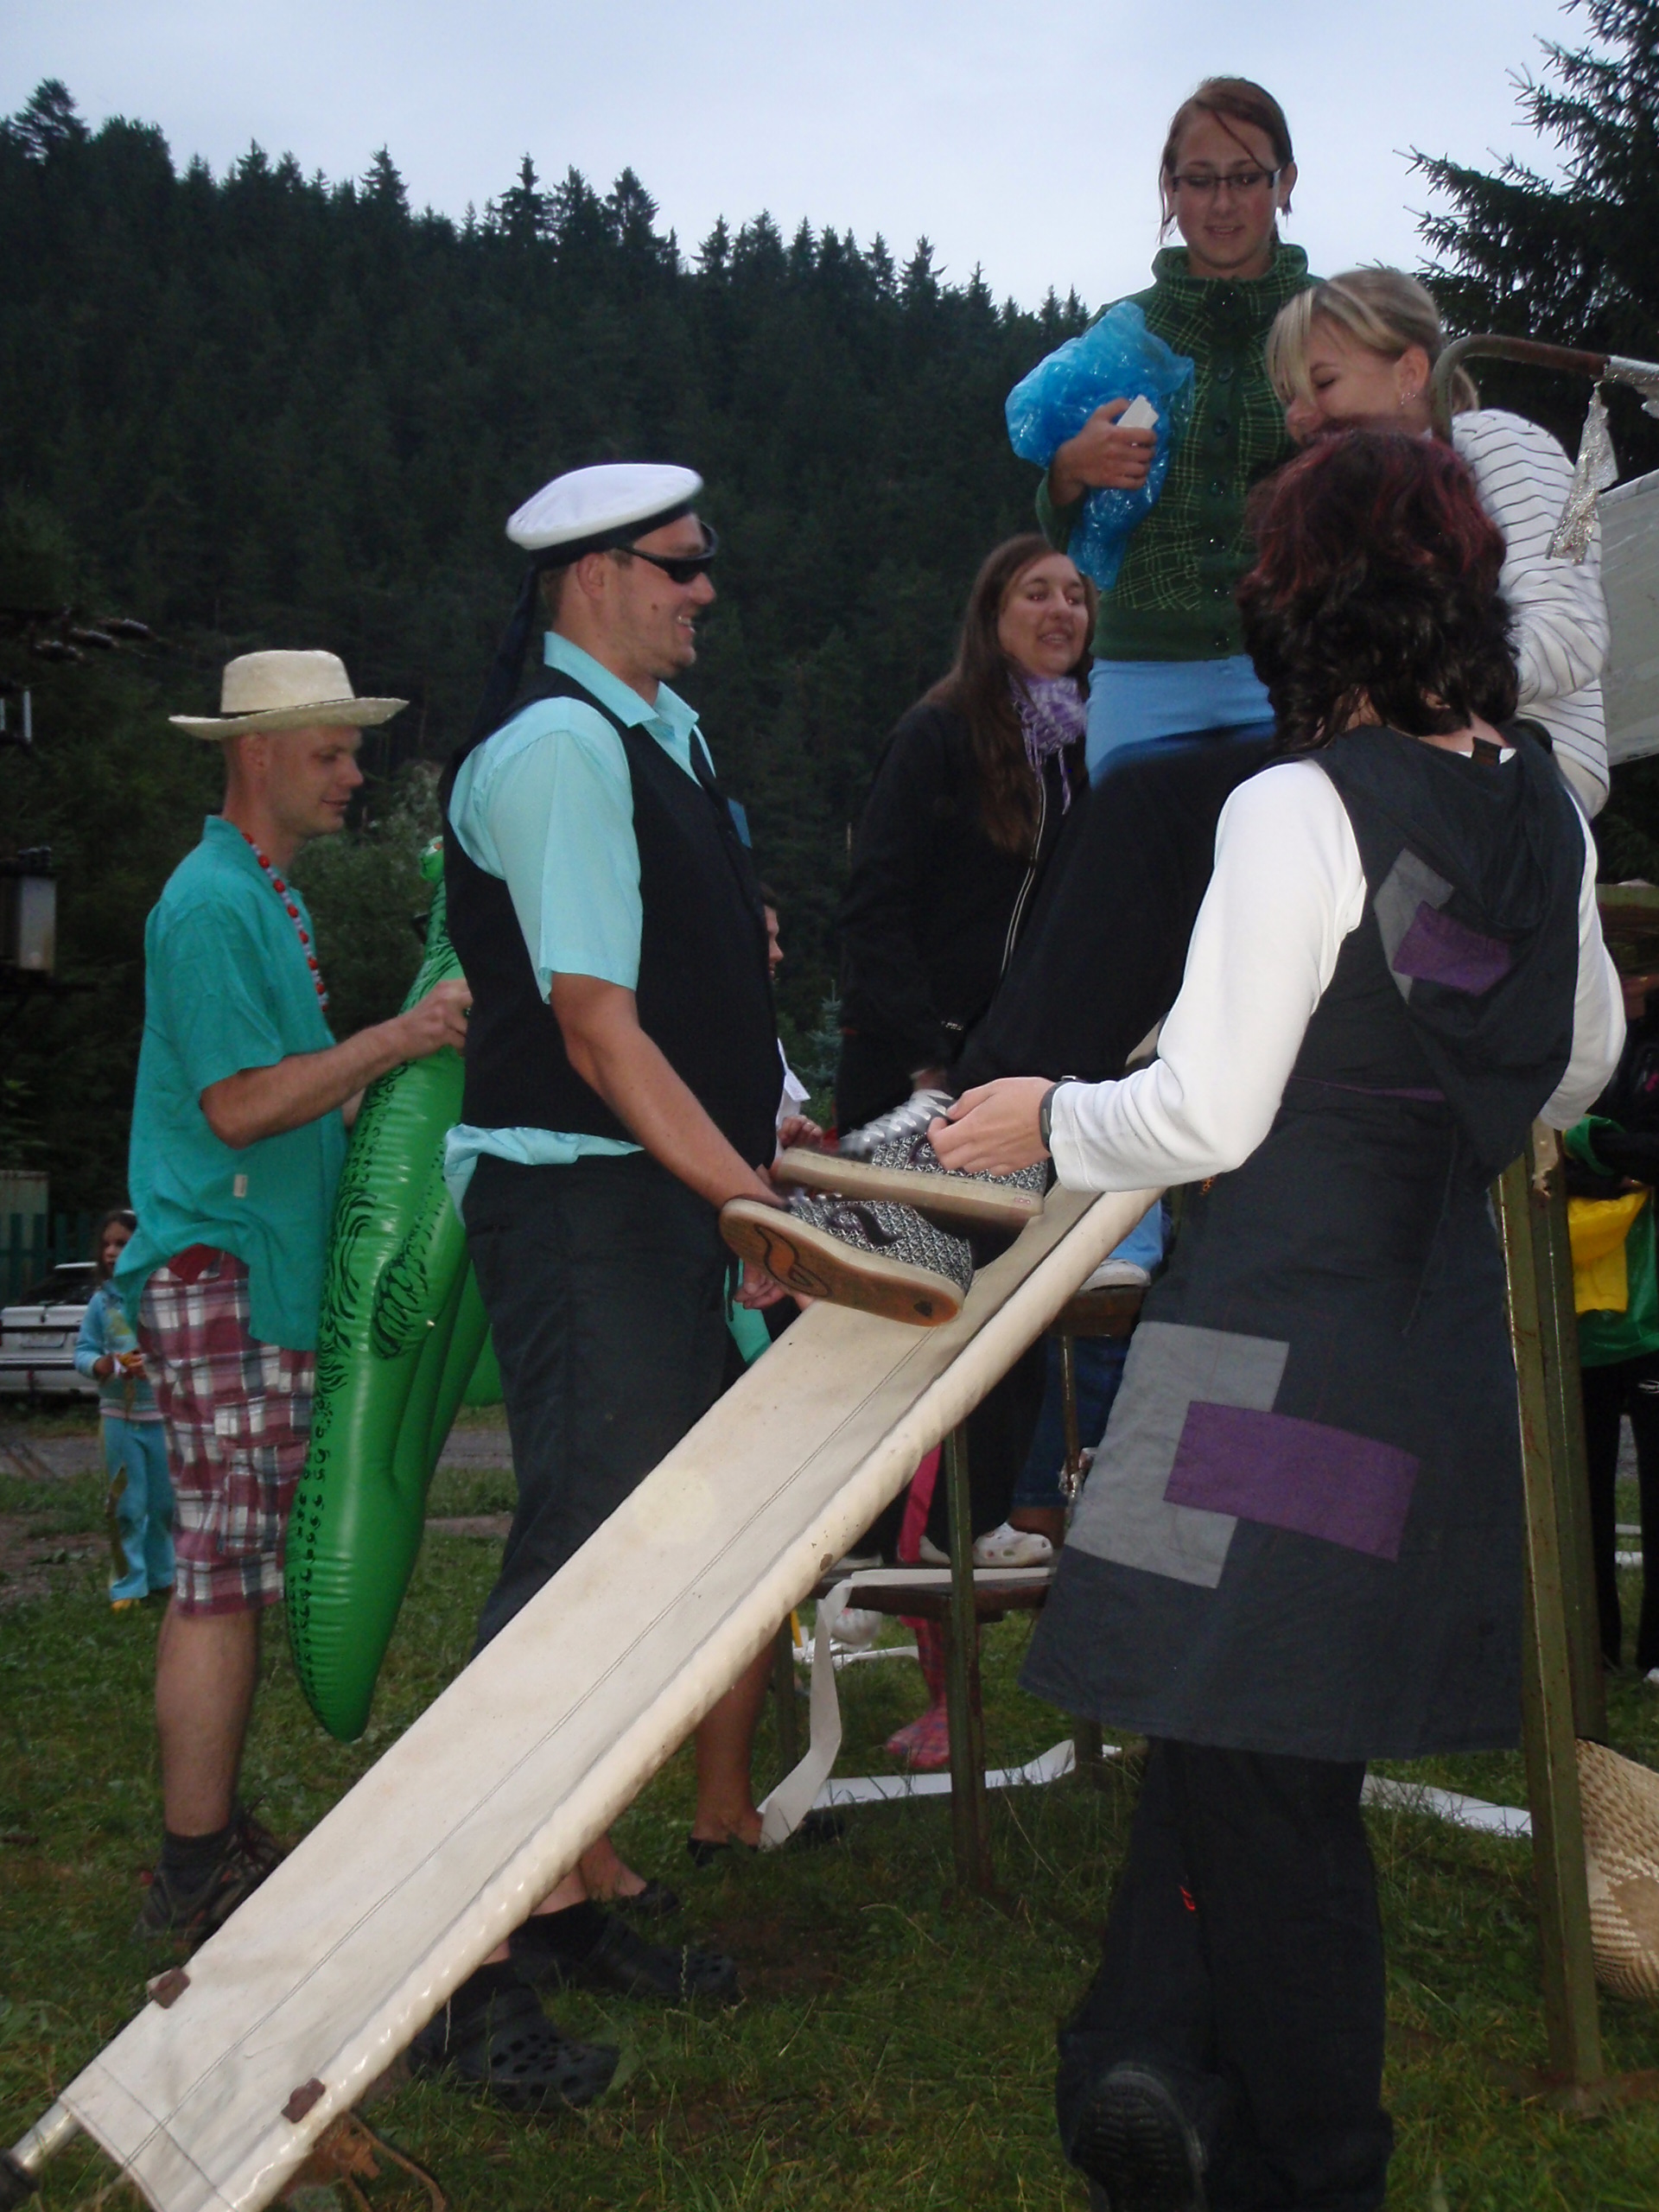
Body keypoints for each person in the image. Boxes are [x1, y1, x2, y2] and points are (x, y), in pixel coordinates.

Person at [934, 430, 1623, 2209]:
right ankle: (1143, 2067)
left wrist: (1048, 1115)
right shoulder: (1544, 805)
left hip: (1257, 1349)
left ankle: (1315, 2166)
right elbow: (1580, 1058)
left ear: (1302, 598)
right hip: (1418, 1341)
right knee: (1235, 1735)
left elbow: (1209, 1114)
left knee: (1266, 1792)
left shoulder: (1295, 804)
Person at [424, 461, 790, 2107]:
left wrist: (754, 1161)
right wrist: (749, 1197)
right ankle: (464, 1966)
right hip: (585, 1208)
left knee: (629, 1568)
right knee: (574, 1578)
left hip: (645, 1206)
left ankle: (562, 1898)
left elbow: (685, 1003)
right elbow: (593, 1027)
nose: (706, 590)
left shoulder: (656, 738)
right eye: (680, 565)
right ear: (591, 578)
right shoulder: (565, 748)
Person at [118, 651, 472, 1944]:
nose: (353, 773)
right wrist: (401, 1037)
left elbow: (293, 1099)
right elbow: (239, 1106)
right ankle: (190, 1872)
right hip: (222, 1267)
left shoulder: (263, 896)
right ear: (257, 755)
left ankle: (207, 1844)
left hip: (246, 1269)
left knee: (236, 1565)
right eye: (330, 752)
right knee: (220, 1575)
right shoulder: (214, 905)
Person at [1036, 76, 1313, 780]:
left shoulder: (1331, 324)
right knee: (1135, 851)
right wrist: (1069, 470)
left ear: (1285, 183)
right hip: (1142, 675)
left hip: (1303, 665)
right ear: (1170, 187)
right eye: (1199, 180)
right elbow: (1067, 531)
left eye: (1244, 177)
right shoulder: (1123, 331)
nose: (1221, 203)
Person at [1267, 264, 1611, 815]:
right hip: (1406, 749)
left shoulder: (1490, 442)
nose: (1299, 416)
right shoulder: (1345, 507)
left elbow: (1570, 631)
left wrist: (1421, 691)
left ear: (1409, 372)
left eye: (1323, 384)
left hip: (1522, 754)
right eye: (1288, 397)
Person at [1563, 967, 1659, 1680]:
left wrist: (1592, 1144)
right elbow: (1541, 1144)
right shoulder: (1574, 1037)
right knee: (1581, 1489)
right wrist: (1604, 1162)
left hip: (1650, 1312)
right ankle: (1592, 1645)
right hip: (1579, 1307)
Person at [75, 1208, 173, 1610]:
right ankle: (128, 1585)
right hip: (120, 1419)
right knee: (128, 1505)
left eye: (123, 1243)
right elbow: (84, 1352)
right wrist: (105, 1365)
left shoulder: (166, 1297)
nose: (112, 1252)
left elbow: (183, 1352)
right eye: (107, 1244)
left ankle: (163, 1577)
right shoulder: (103, 1302)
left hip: (164, 1420)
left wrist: (159, 1366)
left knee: (164, 1505)